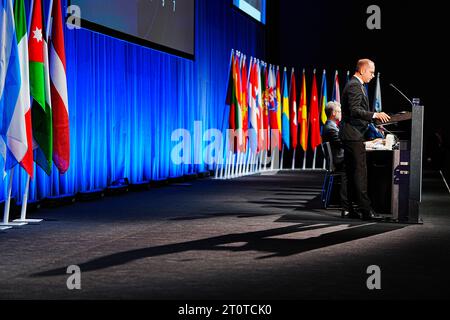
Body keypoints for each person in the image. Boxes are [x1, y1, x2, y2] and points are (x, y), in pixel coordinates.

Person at [339, 59, 390, 220]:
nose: (373, 76)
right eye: (371, 72)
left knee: (348, 172)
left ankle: (347, 209)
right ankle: (366, 211)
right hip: (353, 136)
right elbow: (355, 110)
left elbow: (356, 112)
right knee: (360, 173)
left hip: (350, 134)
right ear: (362, 70)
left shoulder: (356, 84)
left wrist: (373, 124)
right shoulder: (355, 85)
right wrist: (374, 115)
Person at [322, 101, 355, 218]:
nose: (342, 114)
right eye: (340, 112)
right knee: (357, 165)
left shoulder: (332, 126)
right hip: (339, 161)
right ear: (334, 113)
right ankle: (347, 205)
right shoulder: (330, 128)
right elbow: (343, 144)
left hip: (340, 158)